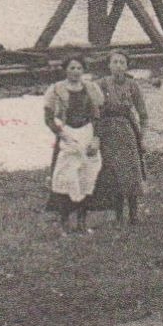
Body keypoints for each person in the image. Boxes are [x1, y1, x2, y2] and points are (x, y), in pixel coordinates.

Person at [43, 56, 104, 233]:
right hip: (68, 134)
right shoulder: (56, 90)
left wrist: (96, 138)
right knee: (66, 179)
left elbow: (98, 116)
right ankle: (64, 223)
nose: (75, 72)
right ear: (65, 70)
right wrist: (62, 134)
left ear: (83, 70)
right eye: (71, 68)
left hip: (87, 133)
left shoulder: (91, 88)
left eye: (79, 68)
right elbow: (48, 118)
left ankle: (82, 222)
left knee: (87, 178)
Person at [92, 50, 150, 225]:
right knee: (112, 172)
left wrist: (143, 137)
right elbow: (94, 111)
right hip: (107, 131)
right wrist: (95, 135)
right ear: (109, 65)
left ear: (127, 66)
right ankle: (118, 215)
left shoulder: (133, 85)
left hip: (127, 130)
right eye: (115, 62)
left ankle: (133, 214)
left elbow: (143, 114)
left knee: (132, 170)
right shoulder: (100, 84)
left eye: (122, 63)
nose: (118, 66)